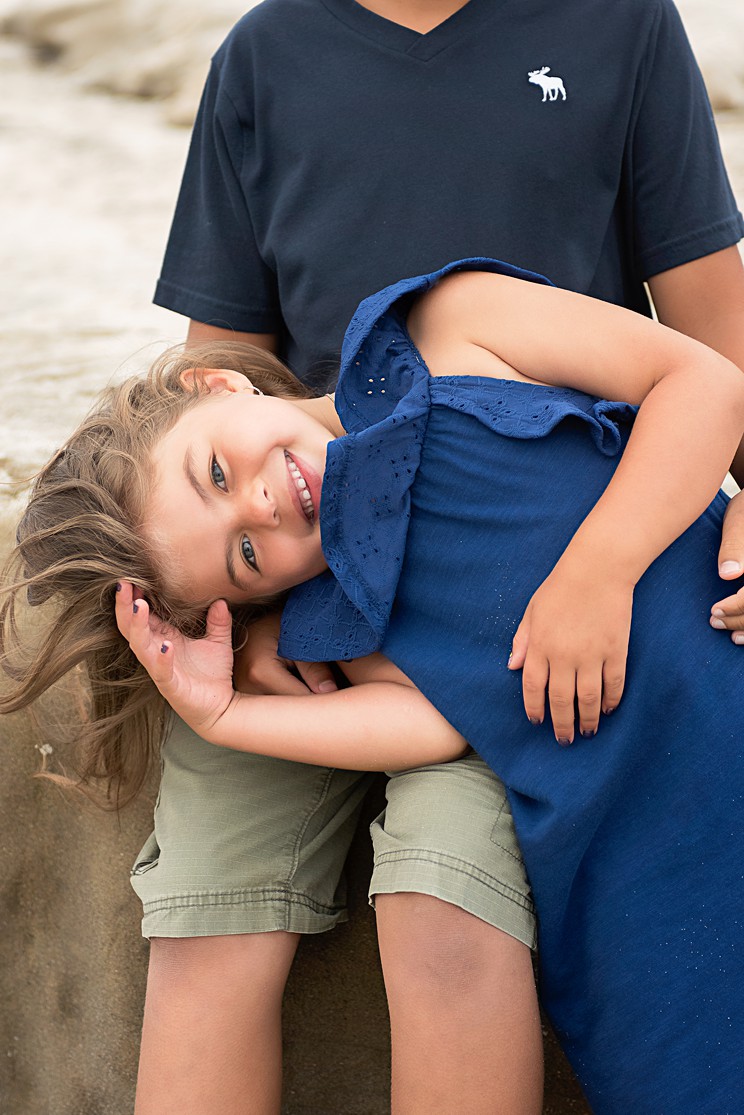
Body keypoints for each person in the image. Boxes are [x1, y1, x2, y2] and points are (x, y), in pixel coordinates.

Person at [145, 1, 744, 1108]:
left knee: (442, 892)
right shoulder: (265, 57)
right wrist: (260, 610)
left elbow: (715, 334)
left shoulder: (622, 25)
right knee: (207, 909)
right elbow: (219, 366)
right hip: (307, 581)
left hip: (512, 570)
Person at [3, 258, 744, 1114]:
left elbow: (703, 381)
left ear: (218, 383)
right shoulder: (344, 605)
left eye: (214, 472)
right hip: (636, 828)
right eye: (245, 556)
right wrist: (228, 713)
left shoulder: (444, 328)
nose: (262, 507)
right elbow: (430, 725)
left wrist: (599, 572)